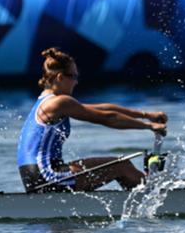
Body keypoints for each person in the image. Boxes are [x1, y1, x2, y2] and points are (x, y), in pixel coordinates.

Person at [17, 47, 167, 192]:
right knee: (122, 166)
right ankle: (156, 197)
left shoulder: (46, 102)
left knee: (122, 166)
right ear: (60, 77)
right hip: (47, 177)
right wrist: (149, 126)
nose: (76, 82)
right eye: (73, 76)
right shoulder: (59, 102)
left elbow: (104, 108)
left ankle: (146, 191)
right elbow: (108, 118)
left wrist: (147, 115)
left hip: (36, 177)